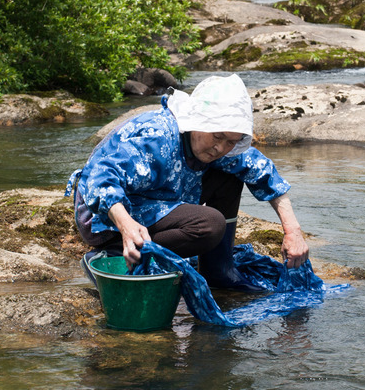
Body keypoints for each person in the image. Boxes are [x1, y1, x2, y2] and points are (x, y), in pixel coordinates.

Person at [65, 74, 309, 291]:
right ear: (197, 121)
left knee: (230, 175)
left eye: (231, 141)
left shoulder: (216, 147)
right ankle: (115, 253)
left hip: (158, 198)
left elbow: (261, 169)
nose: (220, 148)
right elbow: (98, 177)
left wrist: (293, 231)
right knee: (209, 224)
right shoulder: (157, 136)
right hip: (104, 216)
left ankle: (218, 270)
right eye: (217, 136)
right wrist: (126, 226)